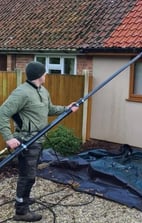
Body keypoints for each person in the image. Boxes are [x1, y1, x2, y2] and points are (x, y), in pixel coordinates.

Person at [0, 61, 79, 222]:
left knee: (31, 175)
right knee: (27, 176)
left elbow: (49, 109)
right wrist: (9, 138)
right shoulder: (21, 93)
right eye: (44, 72)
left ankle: (24, 198)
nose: (46, 75)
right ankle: (21, 211)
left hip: (39, 139)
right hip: (27, 140)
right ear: (38, 75)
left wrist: (66, 108)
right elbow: (2, 113)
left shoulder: (43, 91)